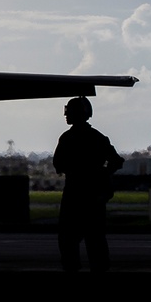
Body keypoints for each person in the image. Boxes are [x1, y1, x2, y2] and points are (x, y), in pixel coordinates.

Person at [53, 96, 124, 272]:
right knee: (95, 239)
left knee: (68, 240)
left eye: (69, 112)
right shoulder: (98, 138)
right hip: (94, 195)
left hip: (74, 194)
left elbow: (59, 164)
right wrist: (103, 174)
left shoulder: (67, 138)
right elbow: (116, 161)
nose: (66, 115)